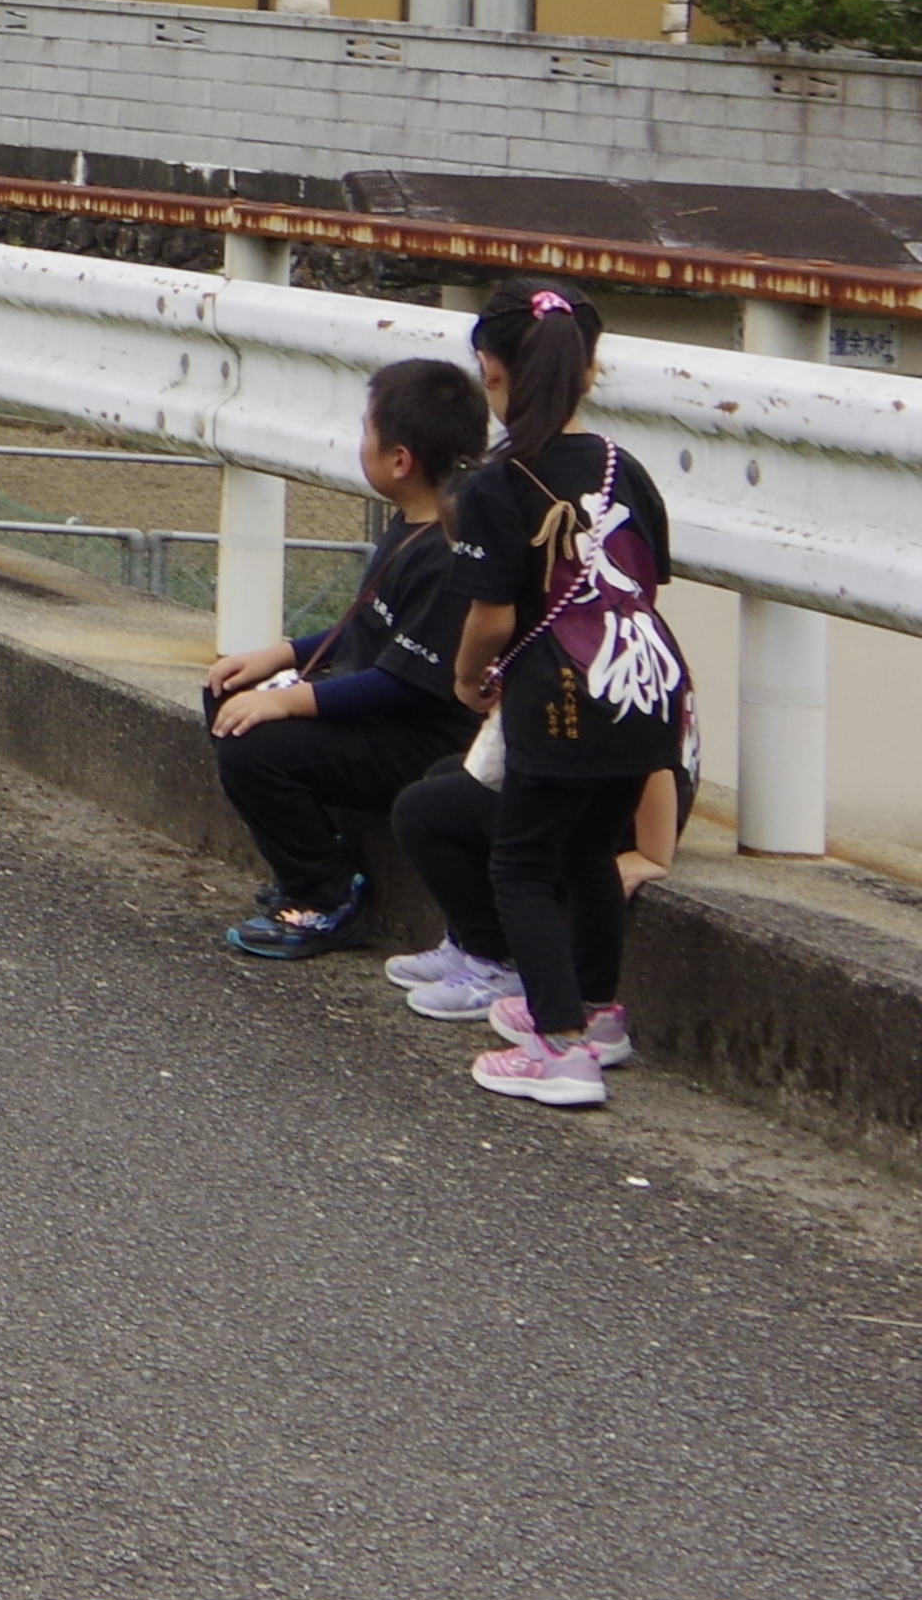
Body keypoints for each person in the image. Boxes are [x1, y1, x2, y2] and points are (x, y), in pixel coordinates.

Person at [388, 283, 694, 1109]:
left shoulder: (494, 484)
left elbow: (491, 613)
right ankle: (597, 1018)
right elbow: (646, 580)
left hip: (561, 692)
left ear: (491, 372)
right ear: (587, 374)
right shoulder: (619, 465)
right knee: (589, 852)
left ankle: (559, 1050)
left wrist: (465, 678)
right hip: (647, 682)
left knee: (521, 862)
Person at [198, 357, 486, 956]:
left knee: (253, 747)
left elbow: (403, 681)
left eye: (367, 432)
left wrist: (288, 703)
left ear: (400, 460)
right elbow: (368, 626)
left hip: (422, 736)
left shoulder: (446, 554)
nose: (361, 443)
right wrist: (277, 655)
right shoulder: (411, 522)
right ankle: (310, 860)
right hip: (381, 705)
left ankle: (324, 897)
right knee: (225, 692)